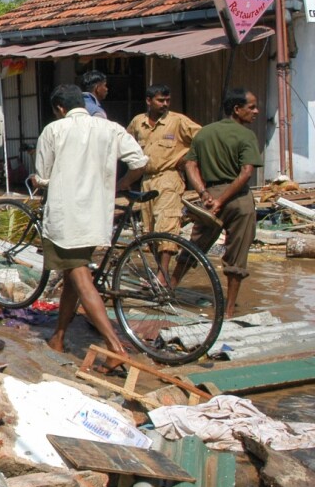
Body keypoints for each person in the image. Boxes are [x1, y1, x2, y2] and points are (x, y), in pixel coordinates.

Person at [34, 84, 147, 368]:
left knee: (80, 277)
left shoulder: (54, 130)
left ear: (60, 108)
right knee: (74, 275)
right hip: (96, 215)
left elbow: (44, 177)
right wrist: (121, 185)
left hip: (66, 216)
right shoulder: (110, 128)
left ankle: (115, 347)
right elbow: (139, 162)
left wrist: (39, 181)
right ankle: (59, 337)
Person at [183, 88, 263, 320]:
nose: (256, 111)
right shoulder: (246, 135)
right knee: (237, 258)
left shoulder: (204, 133)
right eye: (252, 107)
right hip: (238, 199)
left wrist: (204, 193)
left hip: (210, 196)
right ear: (237, 110)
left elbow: (189, 165)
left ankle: (167, 289)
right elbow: (246, 173)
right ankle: (228, 311)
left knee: (193, 247)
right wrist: (222, 200)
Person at [126, 84, 202, 282]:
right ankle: (160, 271)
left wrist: (187, 158)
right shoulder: (138, 122)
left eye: (168, 100)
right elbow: (125, 143)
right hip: (146, 179)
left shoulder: (177, 121)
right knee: (149, 229)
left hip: (169, 177)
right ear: (149, 101)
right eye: (161, 100)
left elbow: (202, 138)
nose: (165, 104)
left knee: (166, 223)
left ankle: (163, 274)